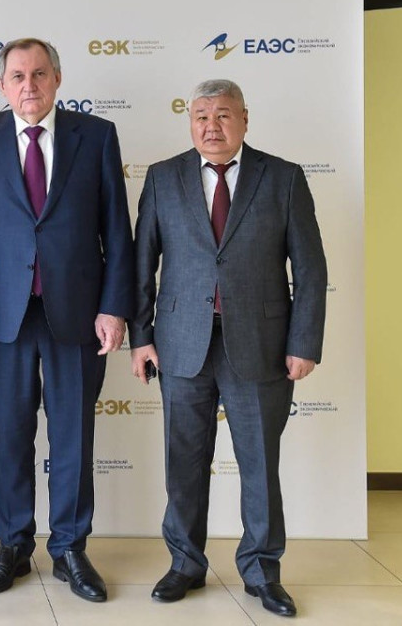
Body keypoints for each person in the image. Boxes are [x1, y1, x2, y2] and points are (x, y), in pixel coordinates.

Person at [129, 79, 326, 618]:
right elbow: (142, 264)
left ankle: (262, 571)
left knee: (259, 463)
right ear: (189, 122)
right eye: (201, 116)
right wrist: (141, 338)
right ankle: (185, 564)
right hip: (180, 345)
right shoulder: (164, 177)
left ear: (244, 119)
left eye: (222, 115)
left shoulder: (282, 178)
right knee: (183, 463)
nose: (211, 126)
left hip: (261, 345)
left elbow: (310, 269)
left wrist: (304, 342)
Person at [0, 37, 135, 601]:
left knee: (73, 435)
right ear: (1, 85)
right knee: (9, 433)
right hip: (0, 314)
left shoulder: (96, 135)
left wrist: (114, 306)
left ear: (57, 78)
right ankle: (12, 544)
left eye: (38, 74)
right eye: (17, 76)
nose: (28, 85)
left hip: (77, 311)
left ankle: (71, 548)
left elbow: (117, 229)